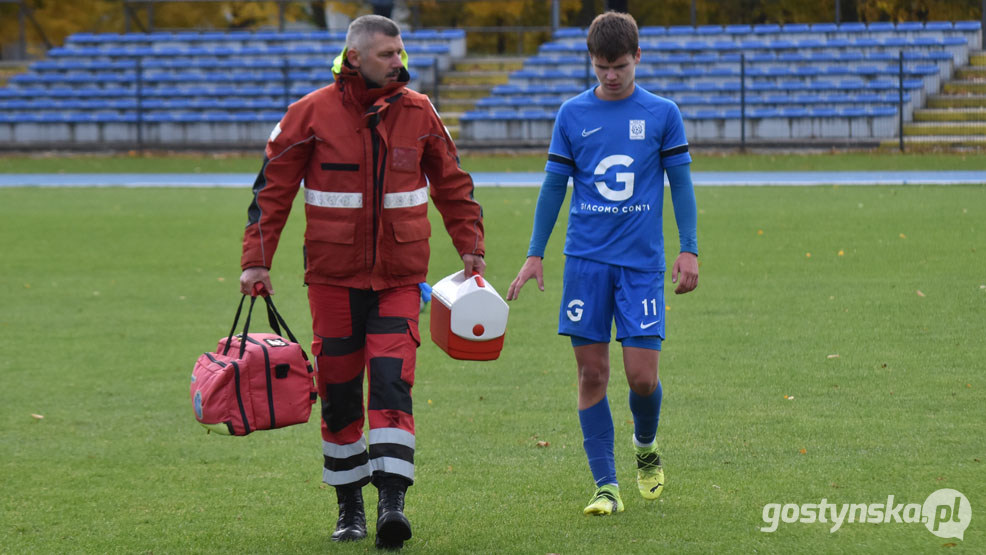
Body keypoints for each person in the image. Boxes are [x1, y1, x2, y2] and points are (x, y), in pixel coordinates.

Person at [238, 14, 485, 549]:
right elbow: (271, 193)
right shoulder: (308, 114)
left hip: (400, 278)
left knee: (393, 383)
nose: (399, 61)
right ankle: (349, 507)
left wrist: (471, 246)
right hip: (332, 281)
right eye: (387, 54)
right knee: (341, 395)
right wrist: (256, 262)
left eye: (399, 52)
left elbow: (453, 182)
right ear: (354, 58)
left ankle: (392, 503)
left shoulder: (419, 112)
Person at [506, 10, 698, 517]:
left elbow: (681, 183)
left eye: (619, 66)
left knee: (640, 378)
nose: (610, 76)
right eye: (600, 67)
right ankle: (605, 486)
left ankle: (646, 447)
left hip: (640, 267)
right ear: (591, 62)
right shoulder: (571, 115)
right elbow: (553, 188)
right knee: (592, 374)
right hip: (585, 264)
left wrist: (689, 247)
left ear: (638, 57)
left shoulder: (663, 113)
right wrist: (534, 253)